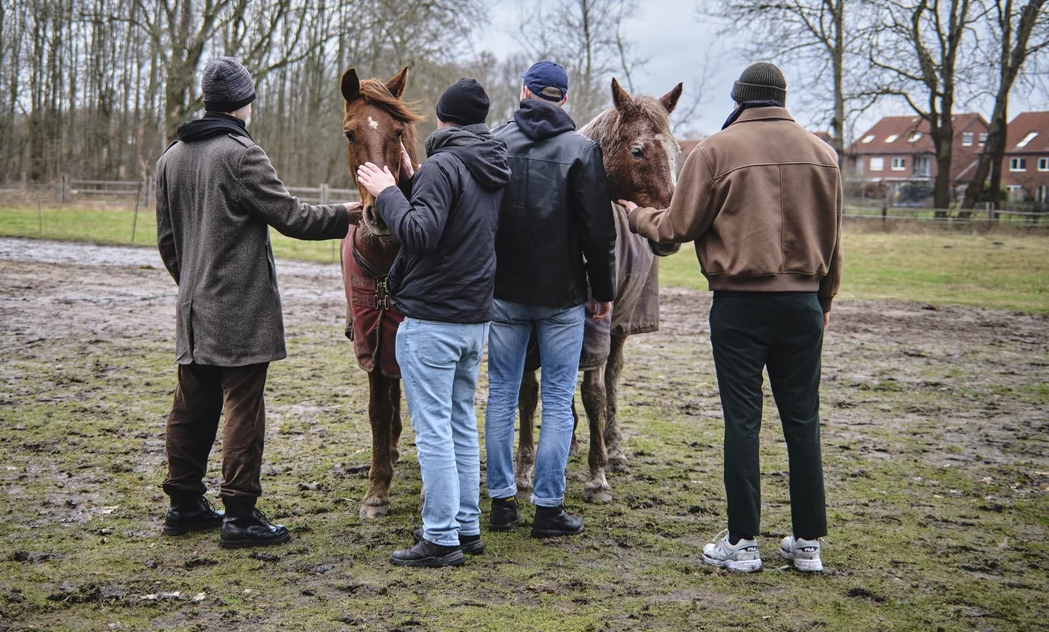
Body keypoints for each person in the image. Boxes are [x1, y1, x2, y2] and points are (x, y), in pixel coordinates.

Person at [619, 62, 841, 573]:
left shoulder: (714, 151)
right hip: (804, 304)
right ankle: (808, 542)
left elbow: (676, 228)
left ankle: (742, 542)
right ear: (782, 98)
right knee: (803, 420)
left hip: (740, 305)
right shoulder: (823, 154)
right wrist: (825, 300)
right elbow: (834, 238)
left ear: (739, 100)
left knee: (743, 420)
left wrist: (635, 215)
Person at [155, 56, 362, 548]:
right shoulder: (242, 154)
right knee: (243, 410)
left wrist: (193, 287)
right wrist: (348, 214)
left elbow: (167, 242)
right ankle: (240, 514)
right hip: (240, 310)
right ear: (245, 102)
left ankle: (184, 505)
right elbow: (292, 217)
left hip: (193, 309)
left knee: (191, 406)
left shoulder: (170, 158)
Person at [356, 78, 510, 567]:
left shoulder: (443, 165)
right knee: (461, 424)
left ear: (442, 118)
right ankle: (466, 526)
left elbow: (420, 234)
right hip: (473, 318)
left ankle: (440, 536)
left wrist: (387, 192)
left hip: (434, 320)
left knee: (434, 431)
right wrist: (414, 178)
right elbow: (456, 219)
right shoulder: (491, 164)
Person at [484, 61, 616, 538]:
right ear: (564, 99)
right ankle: (547, 508)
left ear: (524, 92)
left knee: (501, 394)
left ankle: (501, 502)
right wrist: (602, 290)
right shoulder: (583, 150)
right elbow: (598, 231)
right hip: (562, 295)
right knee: (559, 398)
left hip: (503, 291)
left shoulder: (495, 143)